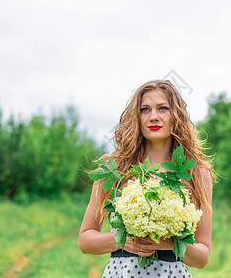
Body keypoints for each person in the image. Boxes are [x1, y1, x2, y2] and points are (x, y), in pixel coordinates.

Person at [78, 80, 213, 277]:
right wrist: (122, 239)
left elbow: (202, 257)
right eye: (145, 110)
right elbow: (85, 240)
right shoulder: (114, 168)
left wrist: (170, 243)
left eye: (163, 109)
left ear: (176, 115)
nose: (154, 117)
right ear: (136, 116)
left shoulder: (197, 173)